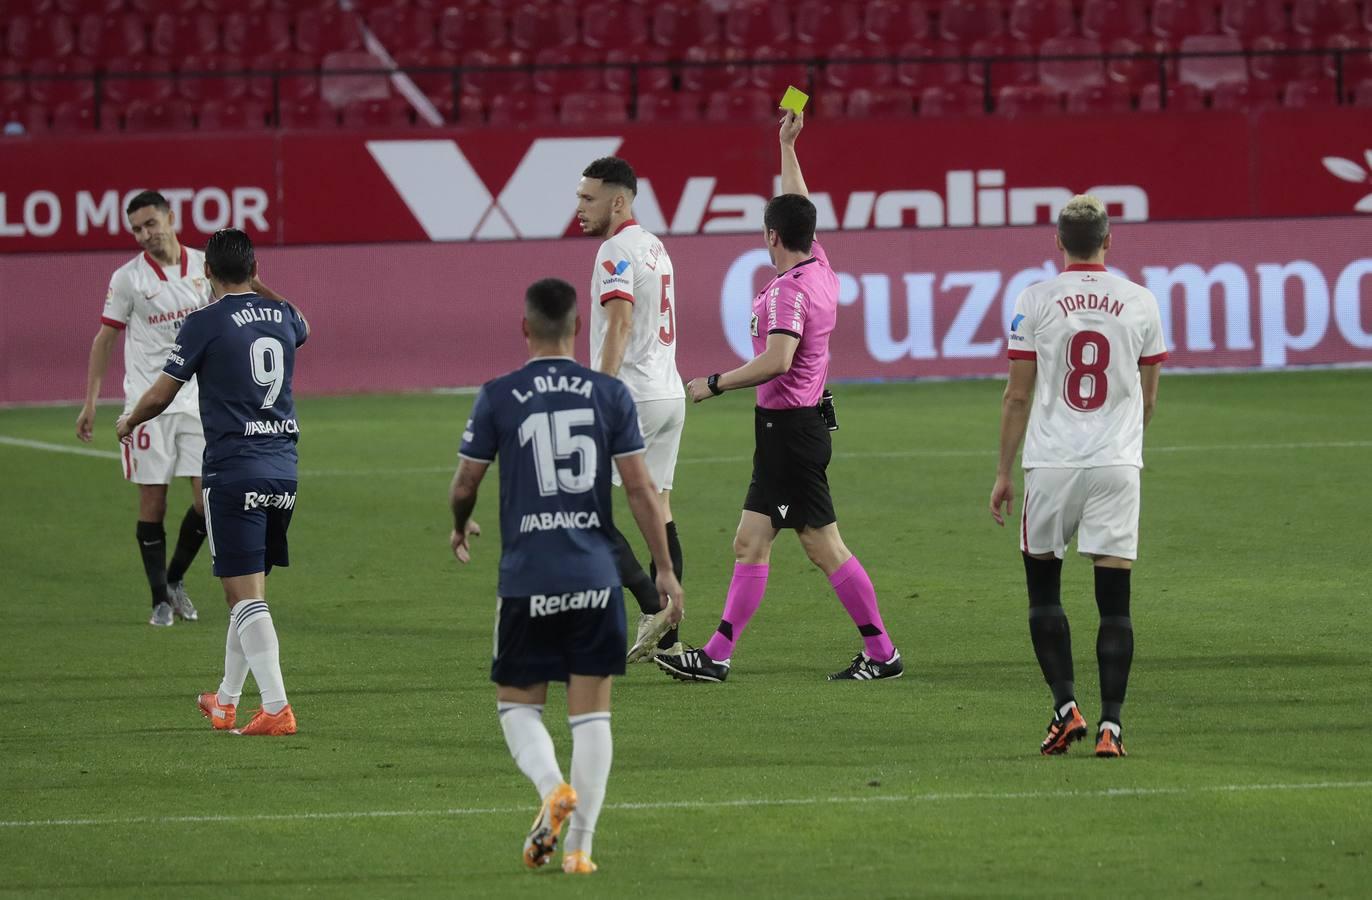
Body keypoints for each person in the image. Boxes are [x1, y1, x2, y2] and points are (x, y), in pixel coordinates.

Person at [655, 110, 902, 684]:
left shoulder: (788, 293)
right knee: (750, 541)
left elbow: (778, 360)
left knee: (822, 545)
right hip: (790, 430)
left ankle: (883, 653)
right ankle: (715, 657)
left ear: (770, 237)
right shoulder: (819, 268)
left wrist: (712, 384)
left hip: (791, 433)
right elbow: (799, 208)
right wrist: (788, 148)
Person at [449, 277, 682, 875]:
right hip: (596, 577)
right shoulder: (608, 394)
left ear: (524, 328)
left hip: (527, 576)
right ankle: (580, 851)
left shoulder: (498, 394)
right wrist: (663, 569)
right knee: (593, 717)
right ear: (580, 330)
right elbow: (639, 489)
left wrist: (460, 522)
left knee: (518, 709)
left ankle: (551, 787)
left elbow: (465, 483)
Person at [988, 194, 1167, 758]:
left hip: (1052, 464)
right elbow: (1149, 400)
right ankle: (1113, 727)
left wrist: (1002, 472)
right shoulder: (1140, 301)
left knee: (1044, 589)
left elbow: (1018, 394)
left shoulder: (1034, 299)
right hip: (1117, 464)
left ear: (1058, 241)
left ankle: (1066, 709)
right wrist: (1117, 443)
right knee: (1115, 602)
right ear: (1109, 241)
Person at [117, 228, 309, 737]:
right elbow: (301, 321)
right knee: (248, 589)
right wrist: (260, 287)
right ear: (254, 269)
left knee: (243, 597)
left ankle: (276, 707)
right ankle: (225, 702)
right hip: (283, 468)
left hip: (232, 468)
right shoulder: (284, 315)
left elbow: (161, 395)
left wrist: (129, 420)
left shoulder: (204, 322)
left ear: (206, 273)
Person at [77, 191, 212, 627]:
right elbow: (105, 339)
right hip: (146, 405)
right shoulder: (128, 279)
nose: (145, 235)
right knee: (153, 503)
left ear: (171, 217)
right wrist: (92, 401)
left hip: (196, 401)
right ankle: (158, 598)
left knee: (208, 501)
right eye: (137, 228)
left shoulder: (205, 267)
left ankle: (174, 581)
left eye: (151, 223)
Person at [575, 157, 687, 662]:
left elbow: (618, 324)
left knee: (582, 507)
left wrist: (599, 390)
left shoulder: (614, 251)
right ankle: (669, 636)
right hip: (668, 393)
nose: (579, 208)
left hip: (632, 395)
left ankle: (650, 604)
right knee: (658, 507)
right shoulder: (655, 247)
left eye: (587, 198)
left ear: (617, 201)